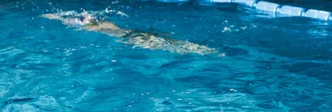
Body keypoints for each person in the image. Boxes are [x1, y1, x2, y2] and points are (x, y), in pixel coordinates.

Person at [42, 11, 221, 56]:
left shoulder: (101, 26)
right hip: (134, 34)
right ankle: (202, 50)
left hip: (132, 35)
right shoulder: (103, 25)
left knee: (172, 45)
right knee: (172, 45)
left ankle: (202, 50)